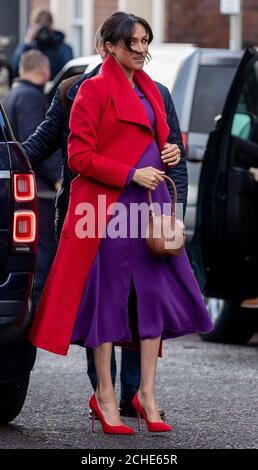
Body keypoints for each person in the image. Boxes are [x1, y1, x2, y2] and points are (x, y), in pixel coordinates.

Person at [28, 12, 214, 434]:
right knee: (105, 304)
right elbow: (63, 152)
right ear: (109, 45)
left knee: (145, 303)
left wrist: (172, 195)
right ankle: (105, 393)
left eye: (146, 41)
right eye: (133, 42)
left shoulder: (157, 92)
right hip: (101, 213)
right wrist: (10, 161)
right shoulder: (80, 90)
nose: (142, 50)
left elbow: (170, 152)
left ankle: (141, 393)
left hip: (146, 212)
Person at [4, 50, 61, 306]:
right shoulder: (30, 97)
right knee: (44, 251)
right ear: (45, 71)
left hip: (27, 187)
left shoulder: (12, 95)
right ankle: (37, 310)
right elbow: (37, 143)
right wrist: (59, 177)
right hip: (40, 190)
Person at [11, 7, 73, 80]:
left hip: (55, 88)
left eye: (46, 24)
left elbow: (68, 73)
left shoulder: (62, 48)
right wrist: (27, 42)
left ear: (51, 25)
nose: (43, 30)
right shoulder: (29, 47)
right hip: (33, 88)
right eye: (39, 24)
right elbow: (14, 70)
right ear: (32, 26)